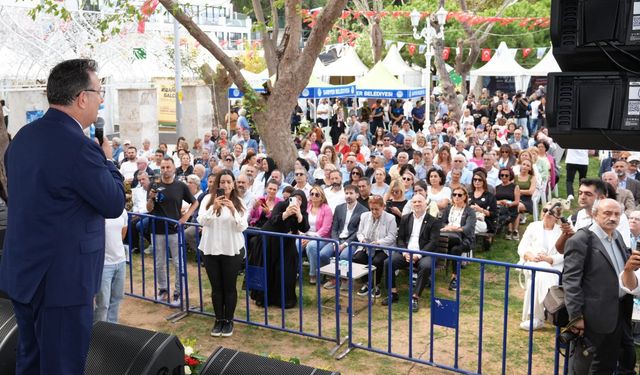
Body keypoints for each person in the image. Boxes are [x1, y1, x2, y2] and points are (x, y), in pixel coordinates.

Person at [0, 59, 125, 375]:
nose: (102, 99)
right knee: (63, 367)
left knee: (31, 361)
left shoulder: (23, 139)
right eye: (99, 92)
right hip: (62, 283)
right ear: (82, 97)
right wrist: (109, 162)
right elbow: (113, 203)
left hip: (24, 275)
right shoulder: (79, 146)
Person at [563, 199, 634, 374]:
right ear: (594, 215)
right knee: (585, 366)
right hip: (591, 317)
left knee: (606, 365)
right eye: (607, 213)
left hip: (617, 313)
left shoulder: (617, 238)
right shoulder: (581, 239)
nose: (613, 218)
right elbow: (571, 281)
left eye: (617, 214)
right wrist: (576, 317)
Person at [198, 170, 248, 337]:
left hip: (231, 250)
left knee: (229, 286)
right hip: (210, 248)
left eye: (228, 182)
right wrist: (214, 208)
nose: (225, 185)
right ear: (217, 184)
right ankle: (218, 319)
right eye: (222, 182)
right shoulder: (207, 199)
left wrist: (233, 210)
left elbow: (242, 227)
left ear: (233, 184)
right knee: (216, 287)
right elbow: (201, 221)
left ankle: (229, 320)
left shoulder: (239, 202)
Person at [146, 157, 199, 305]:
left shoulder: (180, 186)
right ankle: (163, 290)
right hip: (157, 230)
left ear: (174, 168)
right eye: (163, 167)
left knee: (178, 263)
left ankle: (178, 292)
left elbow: (195, 202)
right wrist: (151, 198)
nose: (165, 170)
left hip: (175, 231)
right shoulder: (154, 185)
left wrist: (186, 216)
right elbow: (149, 209)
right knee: (159, 262)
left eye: (168, 167)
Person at [249, 190, 309, 308]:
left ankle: (284, 299)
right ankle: (264, 298)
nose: (297, 201)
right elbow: (273, 220)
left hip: (286, 243)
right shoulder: (281, 205)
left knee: (286, 270)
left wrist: (299, 215)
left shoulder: (302, 212)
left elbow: (305, 227)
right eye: (294, 198)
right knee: (268, 269)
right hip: (270, 240)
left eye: (300, 199)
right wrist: (286, 214)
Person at [383, 194, 443, 311]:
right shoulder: (405, 218)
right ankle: (393, 293)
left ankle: (415, 297)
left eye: (419, 202)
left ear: (426, 204)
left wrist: (417, 255)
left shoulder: (434, 221)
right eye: (414, 202)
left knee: (426, 266)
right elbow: (400, 239)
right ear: (411, 205)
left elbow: (433, 242)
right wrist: (405, 253)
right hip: (407, 252)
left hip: (424, 253)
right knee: (388, 262)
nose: (417, 204)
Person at [517, 200, 566, 330]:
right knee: (540, 269)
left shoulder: (561, 231)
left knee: (539, 276)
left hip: (552, 267)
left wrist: (549, 259)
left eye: (551, 212)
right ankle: (552, 307)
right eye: (545, 210)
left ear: (557, 216)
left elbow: (565, 253)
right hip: (531, 263)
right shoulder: (533, 226)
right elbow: (522, 247)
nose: (547, 213)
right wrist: (532, 257)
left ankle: (537, 318)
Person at [349, 195, 397, 298]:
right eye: (372, 209)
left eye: (377, 209)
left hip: (383, 248)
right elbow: (359, 233)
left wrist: (378, 242)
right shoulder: (364, 216)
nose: (374, 212)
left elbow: (392, 237)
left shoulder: (390, 218)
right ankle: (366, 282)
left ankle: (376, 284)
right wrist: (362, 240)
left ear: (383, 207)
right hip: (366, 246)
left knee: (377, 261)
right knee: (357, 258)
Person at [94, 209, 128, 323]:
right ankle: (99, 332)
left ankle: (112, 327)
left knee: (117, 298)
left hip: (120, 261)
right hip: (104, 264)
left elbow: (123, 232)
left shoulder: (122, 211)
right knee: (103, 303)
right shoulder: (97, 211)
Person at [440, 187, 476, 290]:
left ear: (465, 197)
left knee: (455, 249)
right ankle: (429, 273)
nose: (456, 197)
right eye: (454, 194)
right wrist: (447, 228)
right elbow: (442, 222)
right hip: (448, 235)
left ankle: (454, 277)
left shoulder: (470, 211)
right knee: (438, 242)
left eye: (459, 195)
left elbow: (468, 228)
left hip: (464, 239)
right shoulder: (448, 208)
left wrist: (454, 228)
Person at [303, 186, 334, 285]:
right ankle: (295, 272)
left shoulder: (326, 209)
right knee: (295, 244)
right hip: (305, 235)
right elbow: (301, 223)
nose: (314, 196)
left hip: (322, 237)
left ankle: (314, 274)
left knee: (311, 246)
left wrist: (311, 238)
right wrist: (303, 235)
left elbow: (325, 229)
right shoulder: (307, 206)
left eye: (317, 194)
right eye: (312, 194)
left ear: (322, 197)